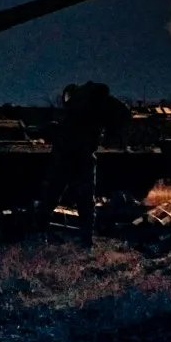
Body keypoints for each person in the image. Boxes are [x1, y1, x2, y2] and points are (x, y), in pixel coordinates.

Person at [31, 82, 131, 248]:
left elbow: (66, 133)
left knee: (51, 196)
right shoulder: (96, 107)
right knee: (85, 202)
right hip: (85, 158)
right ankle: (86, 240)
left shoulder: (77, 111)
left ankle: (39, 232)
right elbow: (122, 115)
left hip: (66, 158)